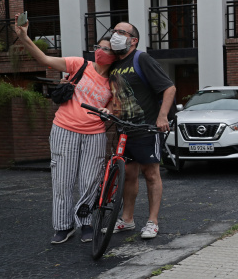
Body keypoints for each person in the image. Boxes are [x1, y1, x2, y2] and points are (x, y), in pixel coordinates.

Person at [14, 14, 116, 244]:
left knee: (90, 181)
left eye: (107, 49)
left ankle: (86, 222)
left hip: (95, 133)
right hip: (64, 129)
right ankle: (63, 226)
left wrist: (110, 109)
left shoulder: (114, 80)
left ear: (115, 56)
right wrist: (24, 38)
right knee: (62, 180)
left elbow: (114, 103)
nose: (100, 51)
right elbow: (44, 59)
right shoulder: (79, 64)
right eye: (99, 46)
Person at [106, 22, 176, 239]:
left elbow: (169, 87)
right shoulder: (113, 65)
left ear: (133, 40)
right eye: (113, 32)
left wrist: (162, 116)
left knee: (151, 174)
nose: (115, 35)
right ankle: (127, 220)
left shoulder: (141, 59)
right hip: (124, 131)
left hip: (146, 128)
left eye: (120, 32)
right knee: (128, 175)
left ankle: (152, 222)